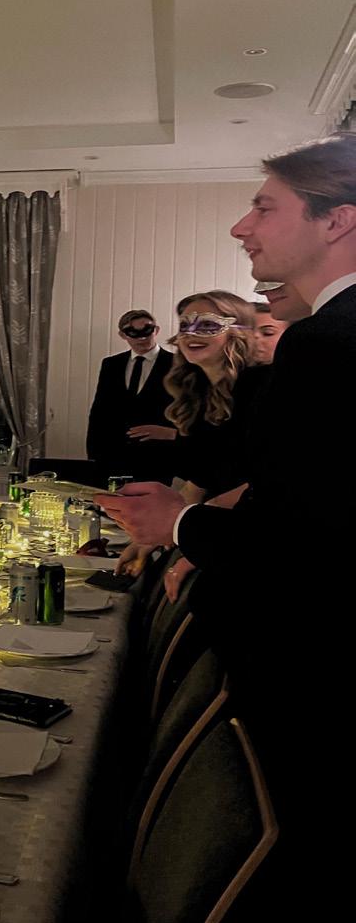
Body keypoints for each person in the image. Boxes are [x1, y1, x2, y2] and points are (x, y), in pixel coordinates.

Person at [98, 132, 356, 877]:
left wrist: (178, 524)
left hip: (308, 669)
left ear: (336, 219)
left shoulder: (327, 341)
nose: (243, 227)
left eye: (264, 208)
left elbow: (306, 543)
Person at [115, 291, 265, 580]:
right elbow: (198, 482)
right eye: (185, 325)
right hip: (208, 530)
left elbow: (267, 479)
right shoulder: (198, 394)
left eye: (207, 325)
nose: (191, 334)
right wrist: (147, 540)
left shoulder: (261, 386)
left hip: (250, 538)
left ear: (239, 332)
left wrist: (186, 523)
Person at [85, 309, 176, 484]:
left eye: (147, 330)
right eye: (133, 332)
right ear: (123, 335)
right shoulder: (111, 364)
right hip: (112, 456)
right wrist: (93, 456)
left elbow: (188, 411)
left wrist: (173, 436)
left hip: (158, 458)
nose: (142, 337)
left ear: (156, 330)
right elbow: (99, 412)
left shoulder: (178, 364)